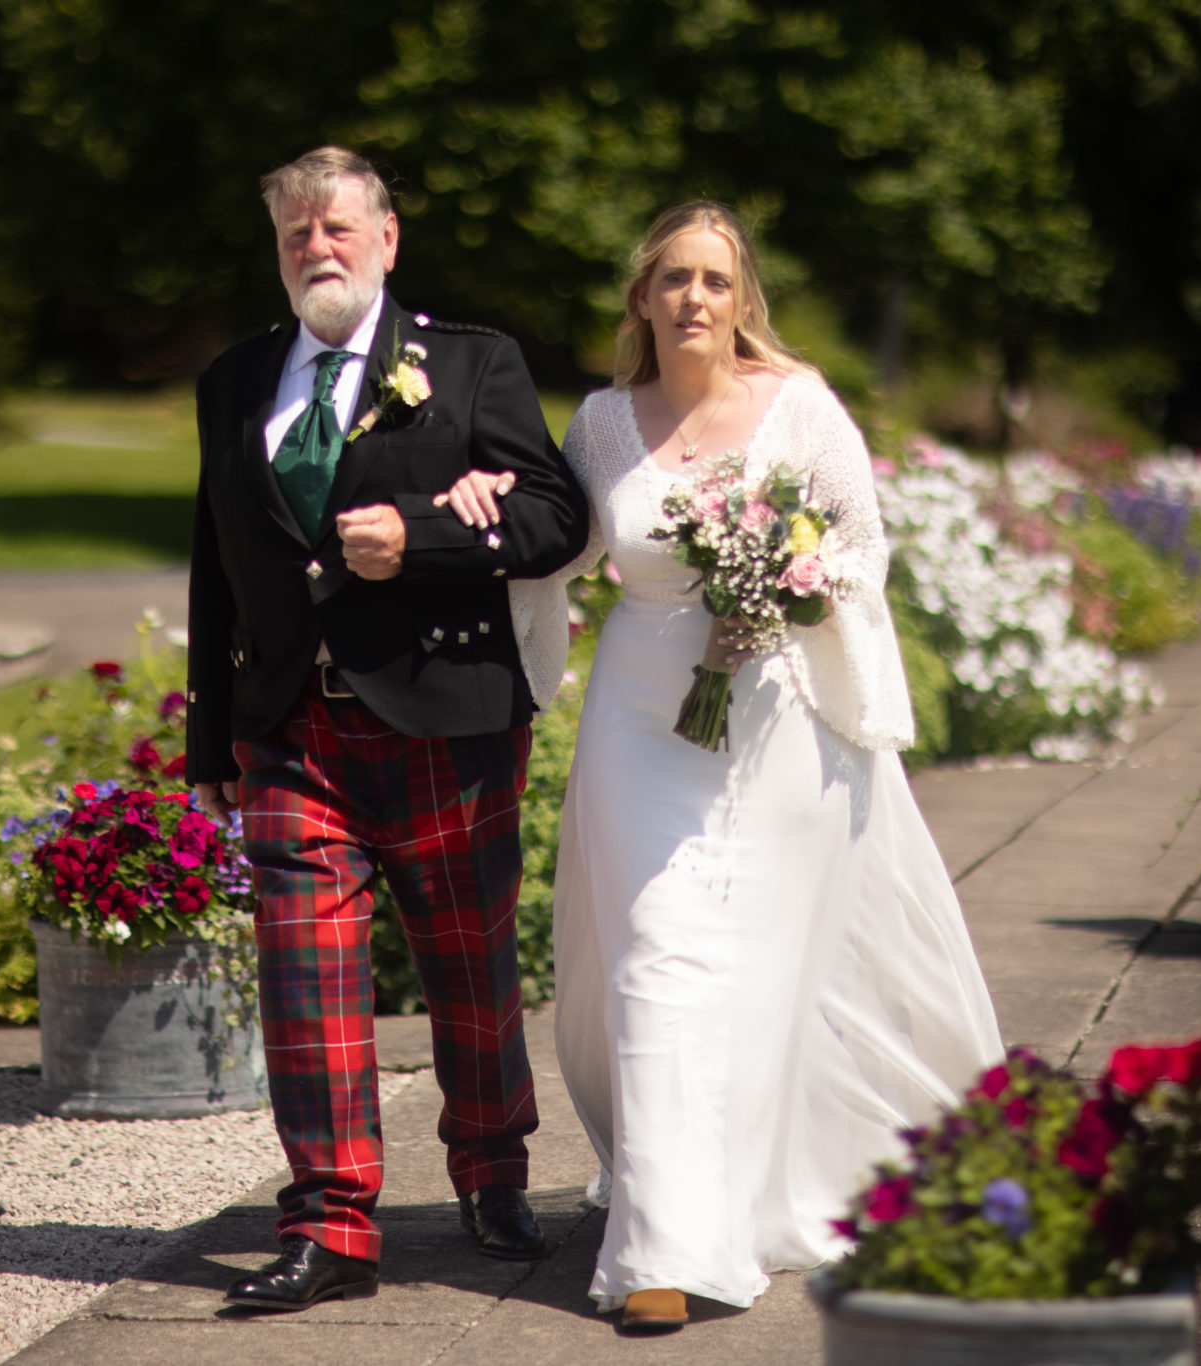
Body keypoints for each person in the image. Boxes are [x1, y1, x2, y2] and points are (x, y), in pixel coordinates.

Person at [440, 202, 1002, 1330]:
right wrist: (484, 511)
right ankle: (659, 1249)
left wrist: (781, 582)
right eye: (672, 279)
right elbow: (562, 540)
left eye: (713, 279)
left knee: (748, 972)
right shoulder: (602, 424)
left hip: (775, 724)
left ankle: (725, 1202)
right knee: (654, 948)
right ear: (640, 301)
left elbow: (859, 544)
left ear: (740, 300)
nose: (692, 298)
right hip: (641, 720)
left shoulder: (798, 407)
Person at [184, 146, 593, 1312]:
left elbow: (558, 517)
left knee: (467, 971)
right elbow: (216, 561)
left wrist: (423, 537)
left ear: (386, 240)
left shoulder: (470, 365)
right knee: (302, 975)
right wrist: (213, 738)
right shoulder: (233, 378)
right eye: (294, 234)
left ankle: (490, 1167)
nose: (315, 247)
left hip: (447, 723)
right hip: (290, 730)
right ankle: (330, 1223)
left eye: (336, 229)